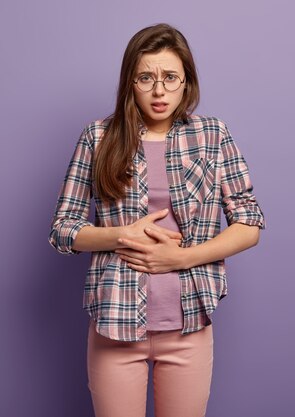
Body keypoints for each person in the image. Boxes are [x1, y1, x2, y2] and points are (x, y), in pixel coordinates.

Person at [48, 23, 266, 417]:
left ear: (187, 82)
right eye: (146, 77)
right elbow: (63, 228)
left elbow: (249, 223)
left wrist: (182, 258)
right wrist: (120, 235)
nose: (159, 90)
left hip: (188, 326)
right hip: (115, 322)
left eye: (170, 77)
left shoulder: (212, 135)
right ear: (130, 81)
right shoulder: (98, 137)